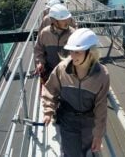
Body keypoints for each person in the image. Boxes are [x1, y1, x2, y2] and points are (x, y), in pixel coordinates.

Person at [42, 28, 110, 156]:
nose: (73, 56)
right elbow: (50, 90)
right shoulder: (62, 69)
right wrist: (48, 111)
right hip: (68, 120)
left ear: (91, 52)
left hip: (89, 123)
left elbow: (101, 107)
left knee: (88, 152)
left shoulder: (102, 75)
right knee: (71, 152)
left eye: (77, 52)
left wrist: (98, 135)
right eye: (71, 51)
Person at [34, 4, 75, 83]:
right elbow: (38, 50)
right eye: (62, 19)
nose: (66, 22)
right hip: (50, 72)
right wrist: (40, 63)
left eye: (67, 19)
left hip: (68, 75)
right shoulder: (45, 33)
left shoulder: (73, 33)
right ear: (54, 20)